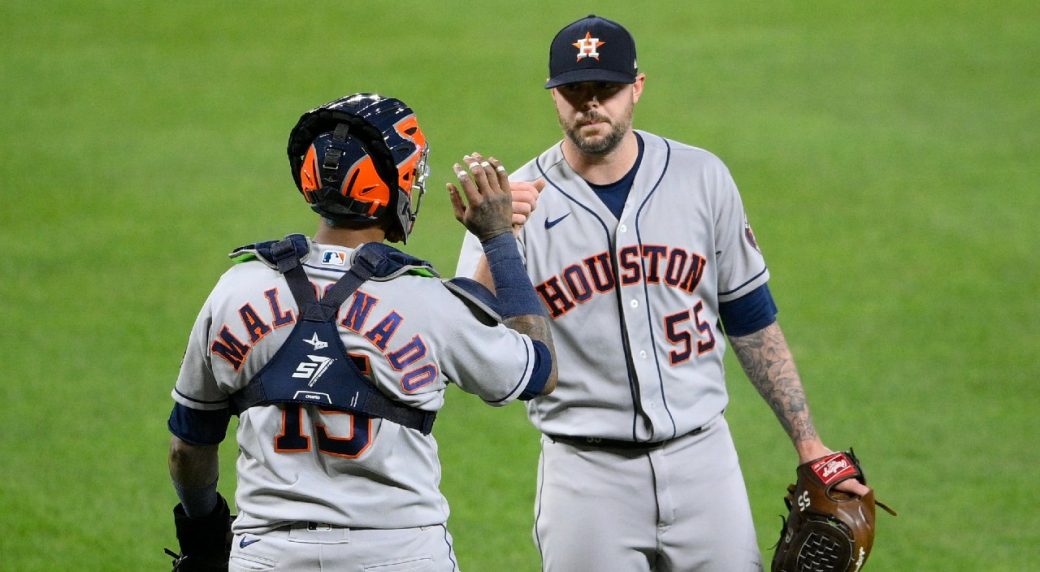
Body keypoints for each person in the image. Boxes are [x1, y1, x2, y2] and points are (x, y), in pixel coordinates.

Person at [456, 15, 870, 572]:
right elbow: (472, 346)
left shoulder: (702, 178)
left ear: (637, 88)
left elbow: (750, 320)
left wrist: (809, 443)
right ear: (554, 96)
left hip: (705, 466)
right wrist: (495, 240)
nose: (590, 105)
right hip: (586, 478)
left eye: (606, 89)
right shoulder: (511, 204)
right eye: (574, 91)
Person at [166, 93, 556, 572]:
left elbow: (188, 446)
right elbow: (537, 370)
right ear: (396, 185)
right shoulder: (426, 300)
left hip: (267, 555)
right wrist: (497, 238)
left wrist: (204, 532)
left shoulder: (236, 290)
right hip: (400, 554)